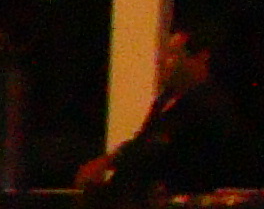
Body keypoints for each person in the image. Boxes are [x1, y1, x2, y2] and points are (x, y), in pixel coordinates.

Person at [80, 27, 262, 194]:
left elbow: (162, 148)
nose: (164, 63)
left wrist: (114, 162)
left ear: (200, 57)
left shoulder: (208, 104)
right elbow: (145, 140)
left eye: (174, 55)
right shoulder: (165, 100)